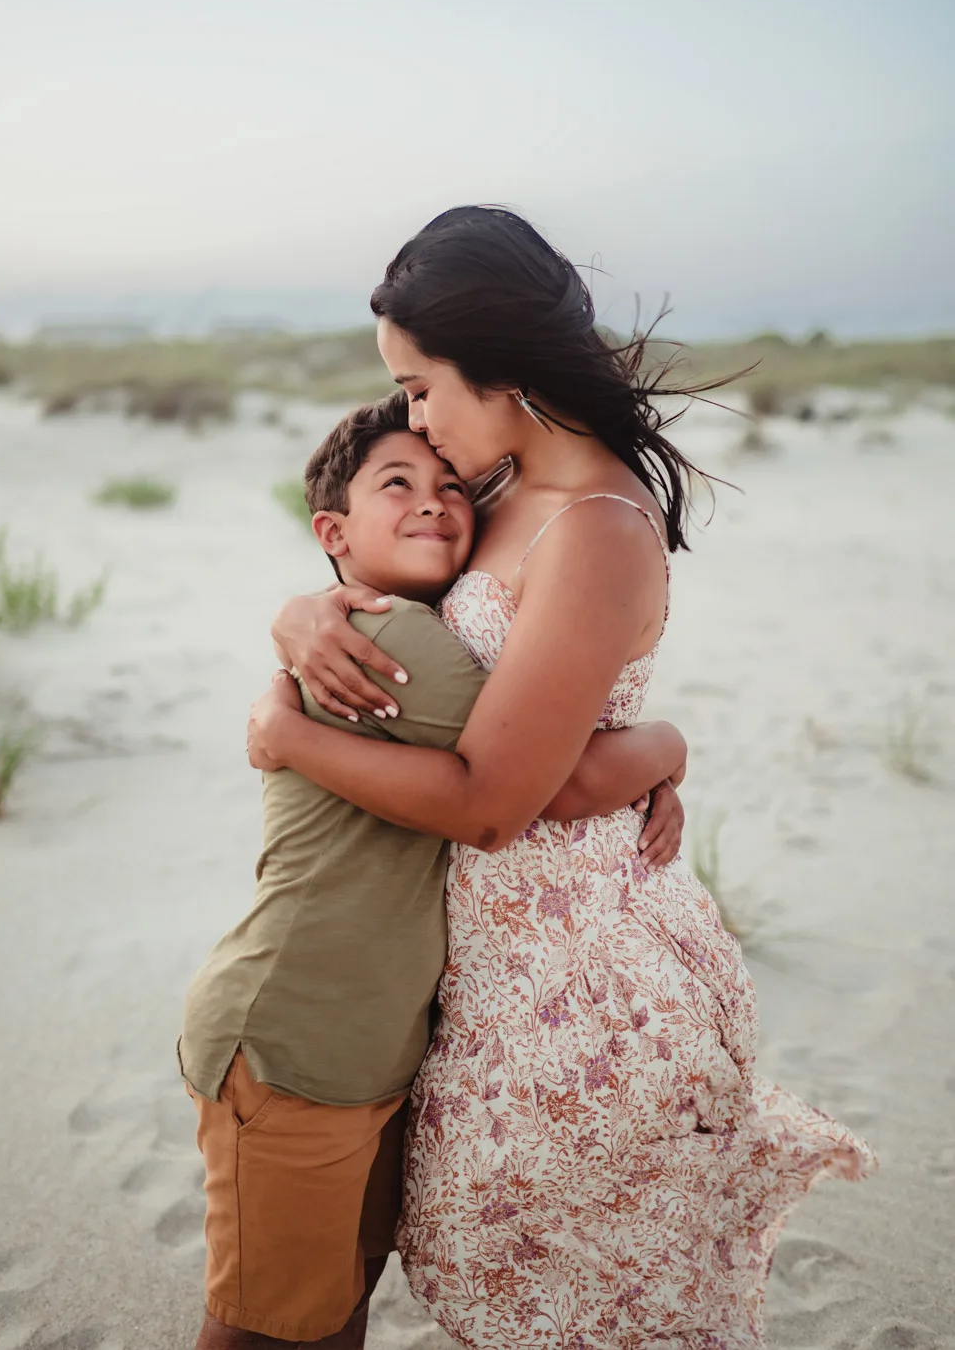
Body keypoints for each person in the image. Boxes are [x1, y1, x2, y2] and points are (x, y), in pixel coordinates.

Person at [248, 205, 876, 1348]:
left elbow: (495, 801)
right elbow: (396, 590)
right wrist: (300, 615)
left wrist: (285, 737)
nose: (417, 420)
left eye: (424, 386)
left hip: (574, 983)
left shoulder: (594, 527)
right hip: (478, 974)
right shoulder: (485, 491)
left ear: (499, 366)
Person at [181, 392, 688, 1350]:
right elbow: (560, 775)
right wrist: (667, 742)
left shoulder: (405, 632)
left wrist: (298, 621)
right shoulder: (394, 646)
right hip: (294, 1037)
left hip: (364, 1045)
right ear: (332, 531)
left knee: (326, 1316)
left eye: (451, 486)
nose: (432, 500)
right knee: (260, 1330)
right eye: (398, 484)